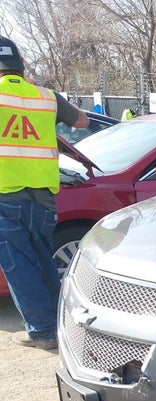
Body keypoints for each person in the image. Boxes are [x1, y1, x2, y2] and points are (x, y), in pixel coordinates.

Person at [0, 37, 88, 350]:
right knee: (42, 259)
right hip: (43, 196)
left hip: (6, 193)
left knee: (18, 265)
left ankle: (42, 331)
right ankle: (59, 321)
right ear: (20, 67)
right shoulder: (45, 97)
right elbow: (82, 120)